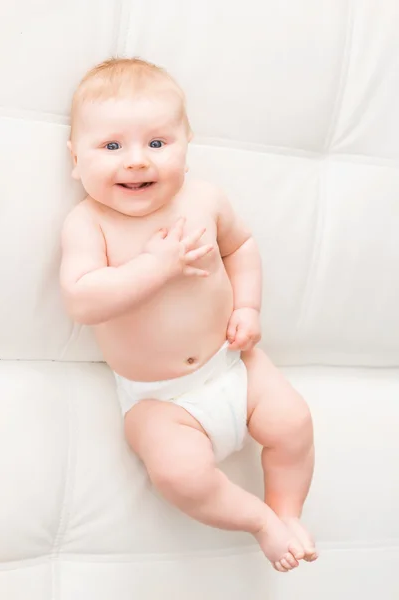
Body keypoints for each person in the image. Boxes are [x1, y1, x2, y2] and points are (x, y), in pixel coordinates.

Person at [60, 57, 318, 572]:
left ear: (187, 142)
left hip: (234, 364)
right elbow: (83, 299)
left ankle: (286, 511)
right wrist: (156, 267)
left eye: (157, 143)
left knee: (294, 424)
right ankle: (259, 521)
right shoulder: (88, 223)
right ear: (75, 158)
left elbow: (241, 246)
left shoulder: (205, 199)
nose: (137, 161)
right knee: (179, 475)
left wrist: (248, 305)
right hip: (159, 399)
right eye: (111, 146)